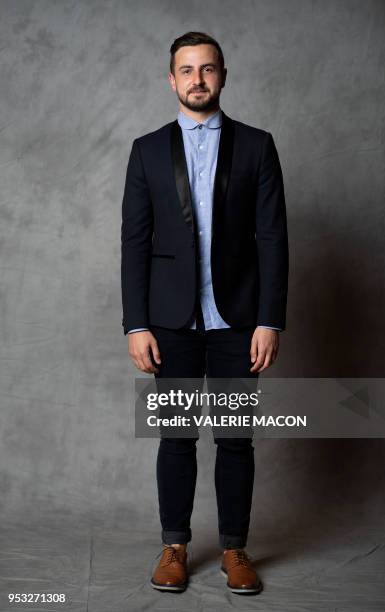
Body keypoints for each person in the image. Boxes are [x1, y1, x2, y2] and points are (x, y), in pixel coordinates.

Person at [121, 31, 289, 595]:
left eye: (208, 69)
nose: (198, 79)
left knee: (237, 439)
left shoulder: (258, 146)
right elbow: (134, 244)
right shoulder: (146, 150)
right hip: (170, 322)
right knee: (176, 437)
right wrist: (136, 324)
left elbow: (273, 239)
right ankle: (175, 546)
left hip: (238, 321)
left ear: (223, 75)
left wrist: (271, 319)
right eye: (187, 70)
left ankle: (235, 550)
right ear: (172, 80)